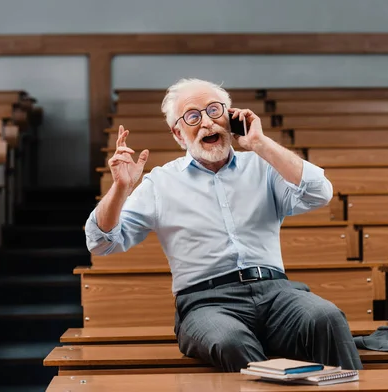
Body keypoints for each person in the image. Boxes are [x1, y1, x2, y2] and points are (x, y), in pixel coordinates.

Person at [85, 78, 363, 372]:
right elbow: (101, 242)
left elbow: (320, 193)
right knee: (230, 340)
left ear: (231, 117)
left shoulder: (262, 166)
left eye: (215, 110)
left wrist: (259, 143)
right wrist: (119, 189)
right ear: (178, 133)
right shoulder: (159, 183)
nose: (207, 122)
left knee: (326, 318)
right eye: (193, 116)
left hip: (276, 292)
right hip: (205, 303)